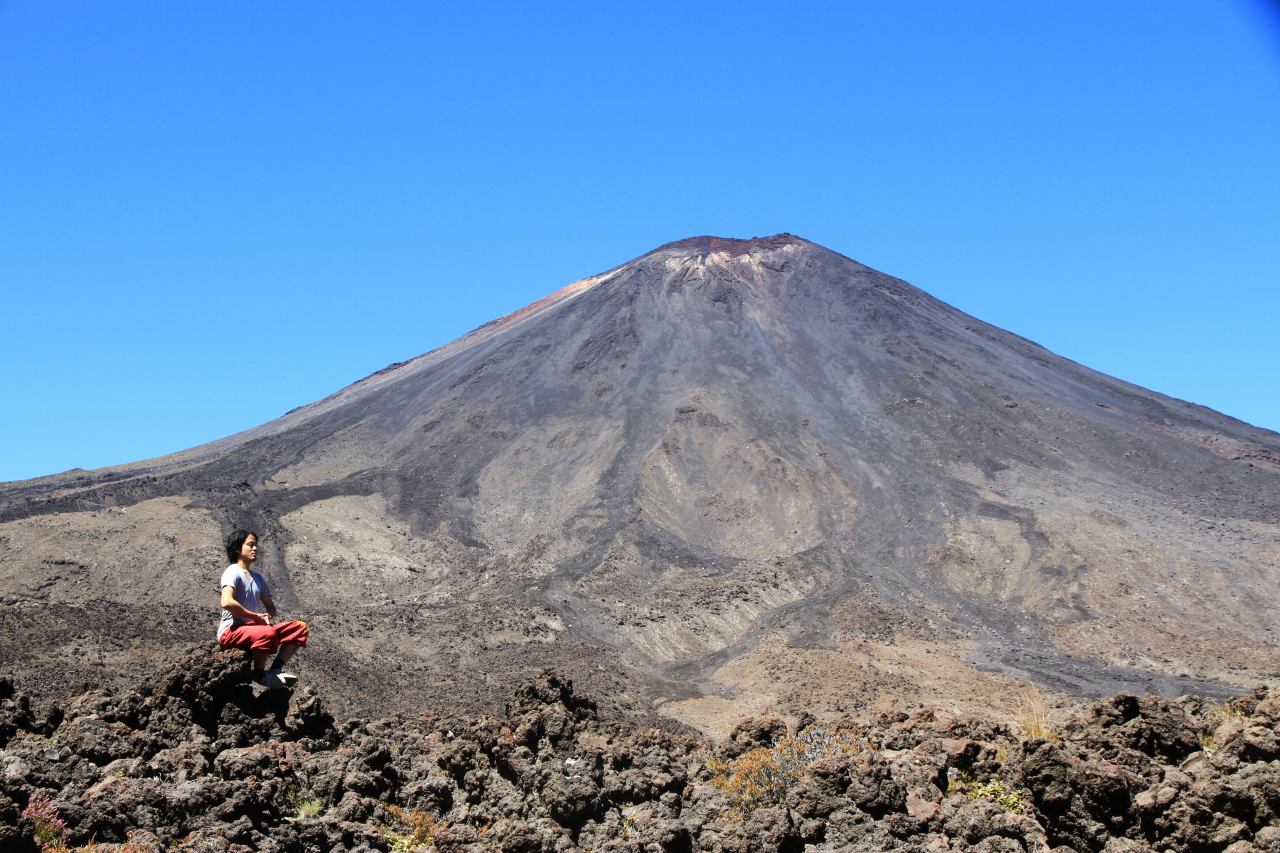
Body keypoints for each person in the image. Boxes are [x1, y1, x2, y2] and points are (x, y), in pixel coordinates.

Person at [217, 529, 308, 690]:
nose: (255, 549)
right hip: (231, 631)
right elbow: (227, 602)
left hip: (254, 630)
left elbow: (270, 606)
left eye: (255, 545)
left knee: (300, 628)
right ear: (238, 548)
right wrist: (255, 617)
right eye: (250, 545)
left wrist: (268, 615)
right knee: (267, 633)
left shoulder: (258, 577)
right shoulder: (232, 571)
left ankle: (275, 670)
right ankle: (259, 674)